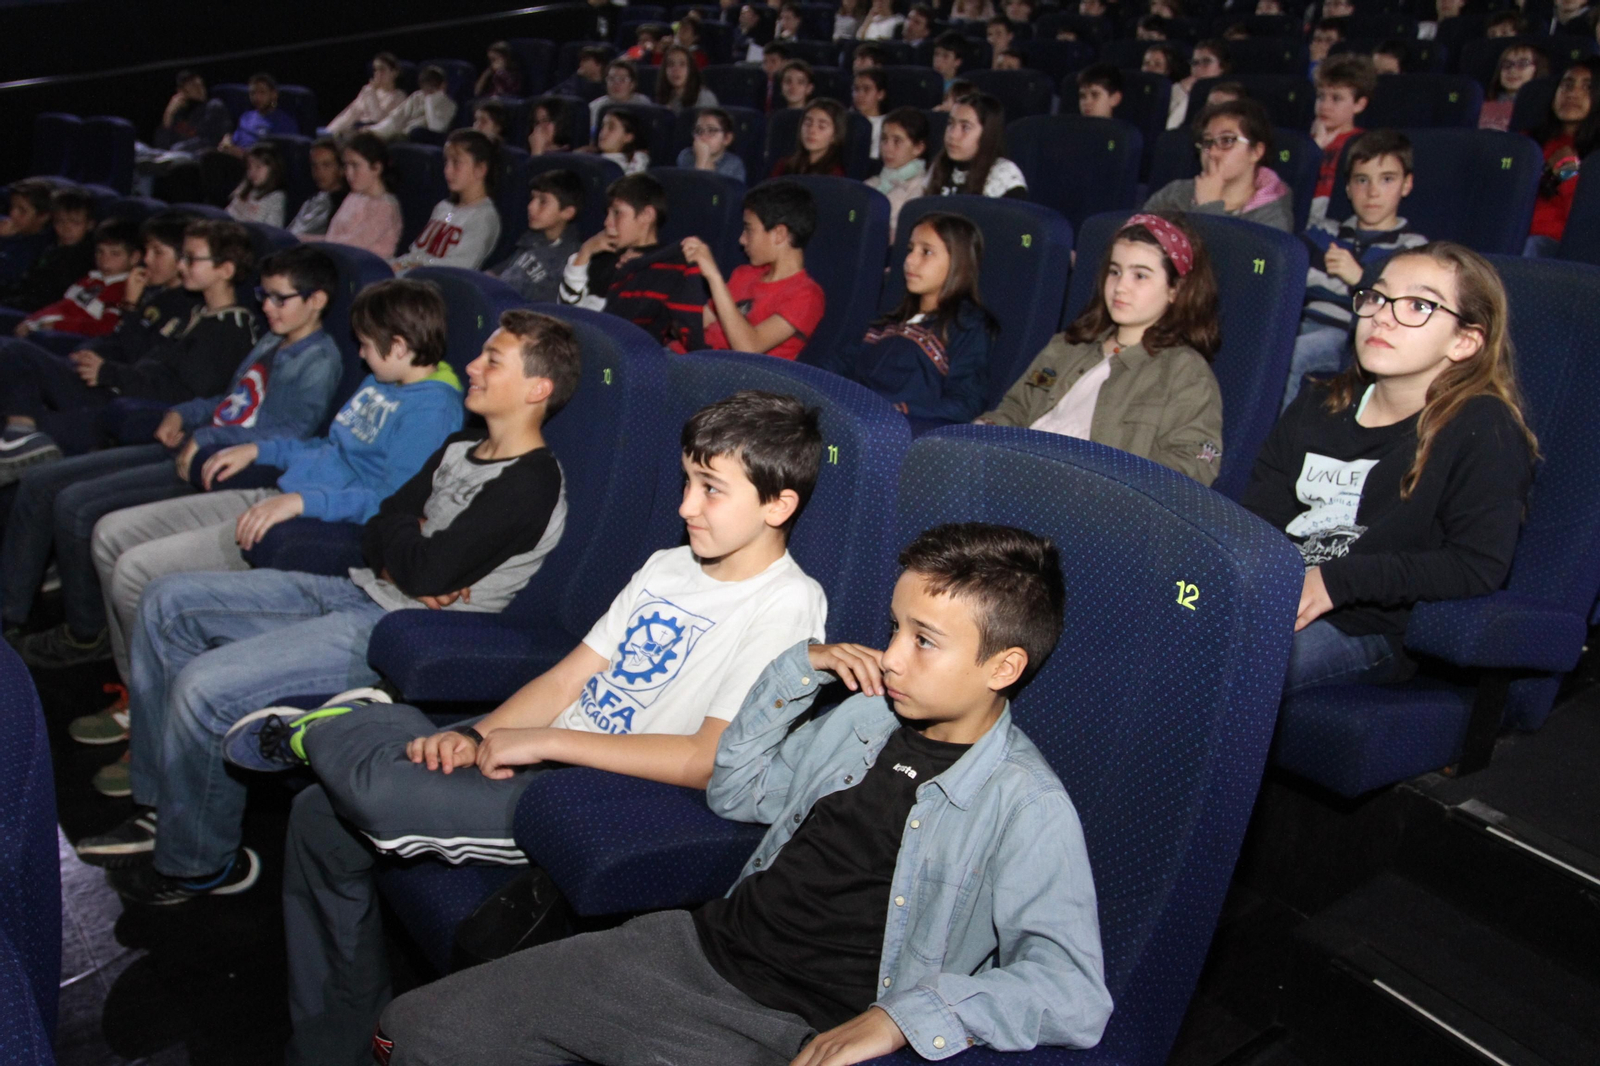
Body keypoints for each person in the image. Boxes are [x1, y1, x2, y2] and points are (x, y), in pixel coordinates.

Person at [218, 391, 829, 1066]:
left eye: (711, 490)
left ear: (778, 505)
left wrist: (539, 742)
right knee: (316, 816)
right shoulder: (670, 564)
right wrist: (485, 735)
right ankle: (330, 1045)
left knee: (374, 790)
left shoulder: (787, 606)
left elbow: (705, 758)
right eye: (687, 481)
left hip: (600, 790)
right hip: (551, 744)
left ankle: (336, 729)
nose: (686, 506)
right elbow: (570, 678)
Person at [372, 521, 1113, 1066]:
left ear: (1003, 666)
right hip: (696, 950)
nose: (888, 656)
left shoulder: (1025, 804)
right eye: (893, 627)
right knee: (413, 1032)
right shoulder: (861, 716)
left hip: (799, 1026)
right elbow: (736, 789)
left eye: (923, 641)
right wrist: (799, 672)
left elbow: (1071, 990)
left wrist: (902, 1019)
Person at [76, 310, 577, 908]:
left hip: (404, 630)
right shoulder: (460, 446)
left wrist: (412, 553)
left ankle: (199, 863)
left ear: (537, 389)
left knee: (204, 686)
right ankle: (162, 803)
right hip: (363, 586)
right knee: (166, 601)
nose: (472, 364)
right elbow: (384, 525)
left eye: (492, 359)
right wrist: (408, 550)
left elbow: (425, 570)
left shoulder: (533, 480)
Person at [80, 277, 463, 733]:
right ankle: (140, 694)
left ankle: (149, 723)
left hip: (310, 517)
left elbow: (391, 502)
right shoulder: (383, 380)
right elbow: (329, 445)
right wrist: (261, 452)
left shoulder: (432, 410)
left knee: (136, 572)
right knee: (109, 535)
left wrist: (304, 501)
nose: (360, 354)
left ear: (398, 346)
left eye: (365, 344)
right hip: (282, 492)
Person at [12, 247, 343, 672]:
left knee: (78, 507)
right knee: (48, 482)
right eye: (264, 294)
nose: (266, 306)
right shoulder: (273, 339)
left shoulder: (318, 359)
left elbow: (285, 433)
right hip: (200, 443)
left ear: (316, 300)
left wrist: (204, 434)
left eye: (281, 298)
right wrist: (184, 413)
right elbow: (232, 401)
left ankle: (86, 633)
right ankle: (14, 619)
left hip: (224, 466)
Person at [1243, 243, 1538, 695]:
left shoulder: (1483, 427)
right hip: (1274, 597)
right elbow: (1258, 519)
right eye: (1377, 297)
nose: (1382, 316)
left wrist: (1335, 581)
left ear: (1465, 341)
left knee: (1229, 667)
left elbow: (1476, 567)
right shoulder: (1316, 402)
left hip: (1365, 627)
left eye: (1419, 305)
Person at [979, 213, 1225, 486]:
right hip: (1015, 477)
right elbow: (1014, 411)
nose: (1120, 287)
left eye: (1140, 276)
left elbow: (1193, 463)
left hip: (1092, 503)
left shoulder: (1185, 372)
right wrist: (983, 430)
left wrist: (1115, 488)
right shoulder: (1067, 346)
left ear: (1175, 290)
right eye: (1115, 271)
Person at [0, 215, 197, 471]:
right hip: (96, 373)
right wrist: (87, 351)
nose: (147, 259)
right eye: (147, 251)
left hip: (114, 389)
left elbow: (145, 358)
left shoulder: (187, 308)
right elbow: (114, 339)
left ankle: (20, 436)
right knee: (11, 352)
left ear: (184, 259)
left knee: (12, 356)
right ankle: (19, 434)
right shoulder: (156, 294)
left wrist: (129, 308)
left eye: (158, 252)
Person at [1285, 129, 1427, 410]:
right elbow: (1287, 277)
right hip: (1298, 322)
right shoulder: (1322, 234)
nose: (1372, 192)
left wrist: (1361, 279)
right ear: (1348, 188)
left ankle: (1268, 444)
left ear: (1406, 185)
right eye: (1362, 180)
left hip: (1348, 333)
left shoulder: (1411, 249)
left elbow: (1400, 307)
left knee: (1292, 354)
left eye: (1387, 179)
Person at [850, 212, 995, 422]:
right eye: (910, 250)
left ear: (959, 263)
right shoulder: (890, 320)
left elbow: (966, 402)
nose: (909, 260)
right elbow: (843, 361)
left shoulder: (967, 325)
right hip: (852, 416)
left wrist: (898, 410)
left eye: (926, 252)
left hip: (895, 430)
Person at [560, 174, 710, 350]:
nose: (607, 222)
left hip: (616, 359)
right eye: (607, 213)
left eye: (617, 213)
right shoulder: (601, 254)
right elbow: (566, 314)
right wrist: (584, 253)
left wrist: (637, 270)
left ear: (646, 215)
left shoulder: (667, 266)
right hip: (580, 347)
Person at [685, 180, 826, 361]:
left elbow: (749, 348)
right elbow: (696, 323)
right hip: (690, 358)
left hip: (728, 375)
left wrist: (713, 277)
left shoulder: (807, 295)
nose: (742, 240)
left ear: (779, 234)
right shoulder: (743, 274)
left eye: (748, 230)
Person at [1144, 98, 1294, 232]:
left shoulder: (1272, 216)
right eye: (1207, 142)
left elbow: (1228, 260)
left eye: (1227, 141)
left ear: (1256, 152)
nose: (1213, 152)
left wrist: (1209, 207)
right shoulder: (1175, 193)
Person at [10, 219, 139, 343]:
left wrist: (57, 325)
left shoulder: (123, 289)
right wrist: (31, 321)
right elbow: (63, 305)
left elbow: (105, 328)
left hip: (72, 340)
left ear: (134, 258)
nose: (104, 260)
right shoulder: (91, 279)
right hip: (51, 327)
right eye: (100, 252)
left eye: (115, 254)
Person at [393, 130, 502, 271]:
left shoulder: (483, 218)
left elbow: (459, 266)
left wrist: (413, 267)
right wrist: (396, 265)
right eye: (446, 162)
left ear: (480, 169)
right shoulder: (443, 207)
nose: (447, 170)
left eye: (456, 163)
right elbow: (417, 254)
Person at [1527, 58, 1599, 254]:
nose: (1572, 93)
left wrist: (1568, 173)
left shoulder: (1596, 159)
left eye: (1588, 87)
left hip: (1560, 251)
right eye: (1567, 85)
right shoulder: (1527, 143)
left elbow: (1587, 224)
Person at [487, 170, 584, 302]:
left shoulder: (569, 258)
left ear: (567, 212)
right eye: (532, 198)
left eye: (543, 201)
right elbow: (496, 273)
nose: (530, 207)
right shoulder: (531, 239)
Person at [0, 187, 95, 314]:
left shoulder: (86, 258)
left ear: (89, 224)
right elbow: (25, 284)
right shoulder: (51, 248)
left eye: (75, 223)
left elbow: (52, 298)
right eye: (60, 222)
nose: (66, 229)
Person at [313, 133, 404, 258]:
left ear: (376, 168)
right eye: (346, 166)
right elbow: (332, 238)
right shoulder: (353, 197)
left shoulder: (385, 207)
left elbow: (351, 246)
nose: (348, 173)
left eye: (355, 166)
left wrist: (310, 244)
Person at [1310, 54, 1376, 221]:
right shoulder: (1305, 141)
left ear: (1359, 104)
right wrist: (1313, 148)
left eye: (1336, 98)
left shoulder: (1363, 143)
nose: (1325, 105)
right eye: (1320, 96)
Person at [927, 91, 1028, 198]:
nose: (952, 135)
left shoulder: (1004, 176)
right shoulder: (939, 166)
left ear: (987, 133)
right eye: (950, 124)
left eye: (965, 127)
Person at [866, 106, 930, 240]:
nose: (887, 148)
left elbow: (903, 236)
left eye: (897, 141)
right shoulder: (873, 183)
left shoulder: (921, 188)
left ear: (918, 148)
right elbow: (852, 215)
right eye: (884, 139)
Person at [369, 65, 458, 142]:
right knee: (374, 136)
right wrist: (373, 131)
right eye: (425, 89)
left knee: (410, 133)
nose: (427, 92)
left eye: (431, 88)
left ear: (443, 85)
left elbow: (436, 127)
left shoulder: (449, 104)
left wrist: (429, 100)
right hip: (401, 133)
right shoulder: (417, 96)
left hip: (419, 136)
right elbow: (396, 118)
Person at [219, 73, 299, 155]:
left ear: (274, 95)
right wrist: (227, 141)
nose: (256, 97)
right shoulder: (246, 117)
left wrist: (244, 155)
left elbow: (279, 154)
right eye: (253, 93)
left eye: (262, 92)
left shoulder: (285, 122)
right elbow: (235, 140)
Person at [327, 53, 406, 135]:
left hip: (373, 136)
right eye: (375, 70)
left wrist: (371, 93)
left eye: (382, 70)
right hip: (353, 132)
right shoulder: (368, 91)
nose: (377, 74)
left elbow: (378, 120)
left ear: (395, 73)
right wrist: (330, 131)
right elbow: (350, 113)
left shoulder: (398, 96)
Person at [287, 138, 349, 238]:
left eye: (326, 165)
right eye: (314, 165)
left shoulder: (343, 205)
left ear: (341, 169)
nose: (319, 172)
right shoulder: (312, 199)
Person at [772, 98, 848, 176]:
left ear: (835, 135)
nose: (811, 130)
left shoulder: (836, 175)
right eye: (808, 123)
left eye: (822, 126)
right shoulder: (784, 165)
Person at [1480, 44, 1546, 132]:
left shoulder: (1541, 109)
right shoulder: (1482, 105)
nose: (1512, 70)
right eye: (1507, 64)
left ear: (1537, 68)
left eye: (1522, 64)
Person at [0, 181, 55, 286]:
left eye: (22, 210)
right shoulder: (8, 226)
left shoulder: (39, 246)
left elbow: (8, 276)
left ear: (43, 216)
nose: (13, 214)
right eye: (12, 207)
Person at [225, 142, 288, 228]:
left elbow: (272, 232)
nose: (252, 172)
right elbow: (228, 215)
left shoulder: (276, 198)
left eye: (258, 167)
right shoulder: (245, 189)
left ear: (273, 169)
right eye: (250, 167)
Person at [678, 106, 749, 180]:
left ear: (727, 139)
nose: (703, 136)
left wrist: (703, 159)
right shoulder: (686, 156)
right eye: (698, 130)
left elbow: (712, 188)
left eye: (711, 130)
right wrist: (701, 159)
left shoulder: (734, 165)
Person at [589, 59, 653, 131]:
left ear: (632, 84)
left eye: (622, 79)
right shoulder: (595, 107)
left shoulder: (644, 105)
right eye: (611, 79)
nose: (616, 84)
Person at [656, 43, 719, 111]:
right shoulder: (666, 99)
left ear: (691, 69)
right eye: (671, 64)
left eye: (682, 64)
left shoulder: (705, 98)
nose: (676, 69)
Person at [1144, 43, 1193, 129]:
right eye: (1146, 63)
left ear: (1168, 69)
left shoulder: (1175, 92)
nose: (1149, 69)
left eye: (1157, 64)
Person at [590, 108, 652, 174]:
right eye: (602, 126)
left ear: (628, 137)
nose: (603, 132)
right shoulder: (589, 158)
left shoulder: (629, 169)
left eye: (611, 128)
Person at [853, 67, 888, 157]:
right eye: (856, 89)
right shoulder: (846, 120)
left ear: (880, 94)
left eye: (866, 89)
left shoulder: (887, 124)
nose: (860, 95)